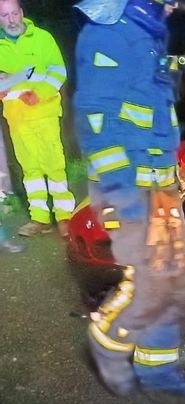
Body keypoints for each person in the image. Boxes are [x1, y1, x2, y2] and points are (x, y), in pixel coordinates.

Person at [72, 0, 185, 398]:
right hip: (128, 185)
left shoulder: (147, 38)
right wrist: (121, 188)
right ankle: (107, 342)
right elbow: (96, 120)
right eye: (166, 1)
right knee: (149, 278)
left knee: (170, 276)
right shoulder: (108, 33)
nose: (172, 8)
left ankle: (157, 368)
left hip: (159, 186)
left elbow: (151, 121)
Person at [0, 0, 75, 237]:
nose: (11, 20)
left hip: (44, 112)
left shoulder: (43, 38)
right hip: (17, 118)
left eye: (14, 14)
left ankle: (64, 216)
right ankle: (40, 218)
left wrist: (39, 94)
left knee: (54, 166)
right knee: (30, 170)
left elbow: (58, 71)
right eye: (5, 15)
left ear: (21, 13)